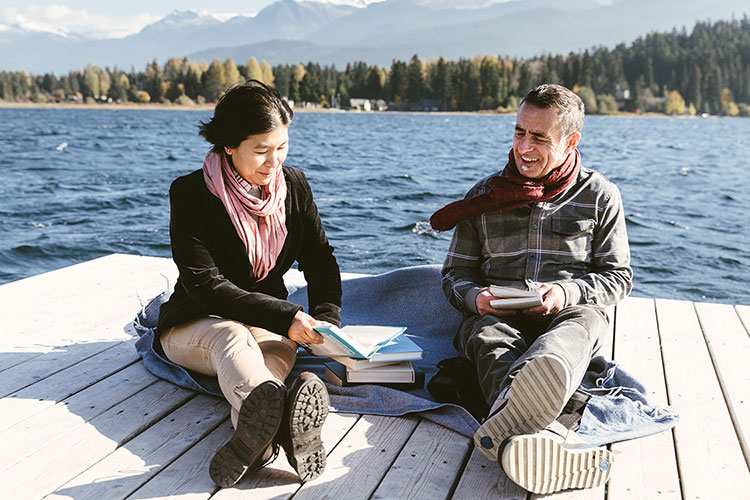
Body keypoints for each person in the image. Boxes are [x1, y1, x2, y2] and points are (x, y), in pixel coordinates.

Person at [430, 84, 632, 494]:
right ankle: (546, 434)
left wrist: (564, 294)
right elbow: (454, 276)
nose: (525, 147)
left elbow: (618, 278)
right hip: (498, 315)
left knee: (576, 329)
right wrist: (477, 299)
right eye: (520, 132)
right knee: (486, 335)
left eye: (539, 138)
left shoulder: (600, 196)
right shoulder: (482, 197)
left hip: (567, 313)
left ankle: (519, 415)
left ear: (570, 141)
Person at [156, 80, 342, 488]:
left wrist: (326, 321)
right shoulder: (190, 193)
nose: (273, 161)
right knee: (231, 339)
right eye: (260, 150)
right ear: (227, 144)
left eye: (282, 147)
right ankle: (284, 430)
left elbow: (321, 261)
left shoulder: (294, 186)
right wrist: (287, 314)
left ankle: (261, 441)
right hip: (196, 319)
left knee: (273, 356)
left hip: (266, 319)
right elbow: (204, 285)